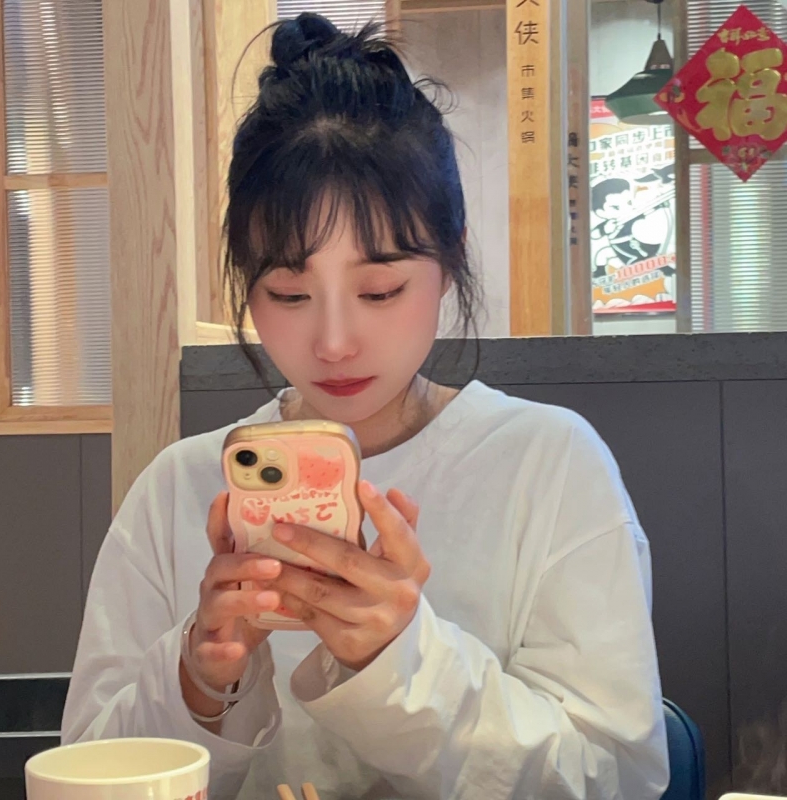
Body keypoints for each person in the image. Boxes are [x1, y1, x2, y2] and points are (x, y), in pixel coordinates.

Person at [62, 13, 669, 800]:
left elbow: (615, 776)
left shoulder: (549, 467)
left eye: (380, 290)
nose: (335, 342)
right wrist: (199, 682)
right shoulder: (176, 491)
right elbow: (87, 772)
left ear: (450, 259)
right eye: (289, 293)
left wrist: (400, 662)